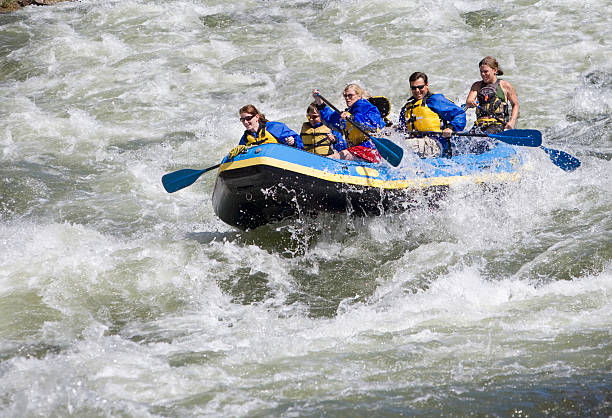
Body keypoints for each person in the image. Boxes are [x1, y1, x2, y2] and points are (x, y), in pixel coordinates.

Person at [396, 72, 466, 158]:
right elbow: (401, 130)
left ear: (427, 85)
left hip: (436, 143)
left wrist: (451, 128)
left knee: (404, 145)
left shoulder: (435, 100)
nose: (417, 91)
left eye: (420, 87)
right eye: (413, 88)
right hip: (415, 142)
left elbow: (460, 114)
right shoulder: (407, 107)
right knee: (395, 141)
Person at [312, 84, 385, 163]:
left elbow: (373, 124)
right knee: (335, 156)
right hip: (356, 150)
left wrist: (352, 118)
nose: (347, 98)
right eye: (345, 96)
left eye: (350, 96)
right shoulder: (348, 113)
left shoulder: (369, 108)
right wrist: (320, 102)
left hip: (369, 150)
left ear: (359, 96)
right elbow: (331, 119)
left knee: (332, 158)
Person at [465, 56, 519, 134]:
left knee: (482, 141)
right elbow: (469, 101)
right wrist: (471, 102)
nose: (483, 74)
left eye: (486, 71)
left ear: (495, 70)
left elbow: (515, 105)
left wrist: (512, 122)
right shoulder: (477, 85)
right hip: (479, 124)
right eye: (481, 72)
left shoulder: (505, 86)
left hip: (497, 125)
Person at [229, 104, 303, 159]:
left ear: (257, 117)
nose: (245, 122)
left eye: (248, 118)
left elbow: (299, 144)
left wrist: (293, 143)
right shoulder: (245, 138)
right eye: (242, 119)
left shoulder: (274, 127)